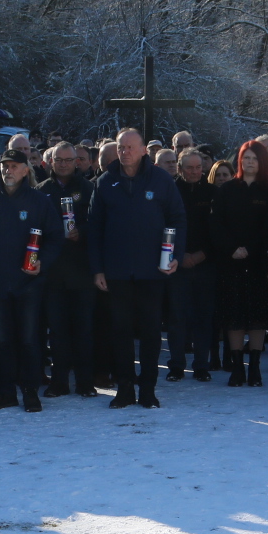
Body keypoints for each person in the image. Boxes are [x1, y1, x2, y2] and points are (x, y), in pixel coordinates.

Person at [88, 127, 183, 408]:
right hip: (116, 272)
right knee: (120, 331)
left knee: (151, 331)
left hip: (152, 271)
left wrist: (174, 255)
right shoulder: (105, 182)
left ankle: (148, 388)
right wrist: (98, 269)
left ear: (144, 150)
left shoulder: (161, 180)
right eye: (120, 147)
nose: (125, 152)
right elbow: (95, 229)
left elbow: (177, 218)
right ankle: (125, 387)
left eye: (130, 147)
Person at [0, 147, 58, 411]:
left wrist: (42, 263)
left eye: (14, 166)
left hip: (28, 284)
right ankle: (5, 392)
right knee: (0, 341)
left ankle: (30, 391)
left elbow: (55, 237)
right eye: (5, 165)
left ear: (25, 170)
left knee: (30, 340)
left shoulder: (39, 201)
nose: (8, 170)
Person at [211, 140, 268, 386]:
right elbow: (216, 225)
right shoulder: (227, 190)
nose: (249, 162)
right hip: (232, 263)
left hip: (260, 263)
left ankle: (255, 367)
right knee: (235, 315)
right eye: (245, 157)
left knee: (257, 317)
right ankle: (237, 366)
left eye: (254, 158)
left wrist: (254, 251)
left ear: (262, 162)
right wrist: (232, 249)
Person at [38, 142, 98, 396]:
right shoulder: (41, 191)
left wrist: (81, 233)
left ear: (77, 162)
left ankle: (85, 382)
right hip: (53, 273)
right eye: (58, 159)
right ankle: (59, 381)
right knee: (58, 331)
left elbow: (98, 224)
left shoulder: (88, 189)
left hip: (82, 272)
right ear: (51, 162)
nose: (63, 164)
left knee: (83, 330)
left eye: (68, 160)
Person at [166, 148, 217, 382]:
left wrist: (201, 255)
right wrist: (180, 255)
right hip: (176, 263)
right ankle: (176, 365)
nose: (195, 171)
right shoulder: (170, 191)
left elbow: (218, 231)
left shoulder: (213, 192)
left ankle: (201, 366)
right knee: (177, 317)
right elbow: (164, 227)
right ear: (179, 167)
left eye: (198, 167)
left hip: (205, 263)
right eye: (189, 167)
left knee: (203, 317)